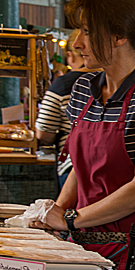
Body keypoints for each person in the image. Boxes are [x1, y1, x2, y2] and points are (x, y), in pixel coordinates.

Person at [30, 0, 135, 270]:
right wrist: (55, 213)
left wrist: (70, 219)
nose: (77, 43)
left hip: (134, 253)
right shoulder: (82, 88)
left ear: (119, 37)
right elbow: (81, 169)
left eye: (87, 32)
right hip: (83, 248)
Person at [35, 30, 92, 192]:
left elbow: (43, 132)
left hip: (73, 164)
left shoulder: (65, 84)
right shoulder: (115, 81)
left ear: (71, 55)